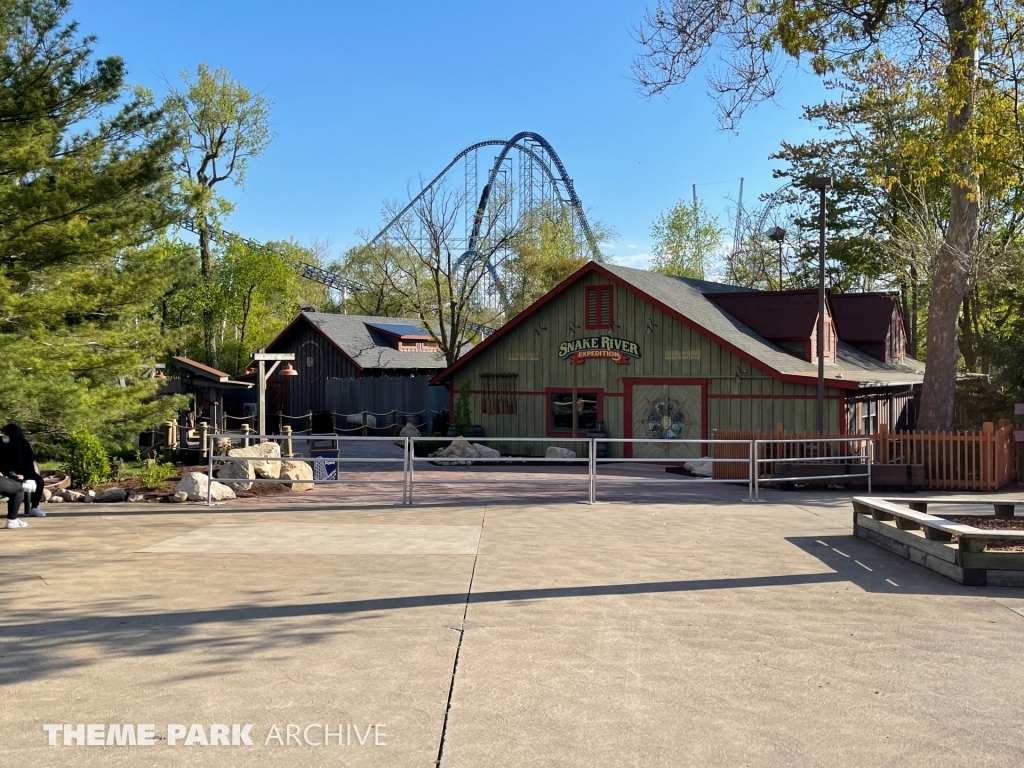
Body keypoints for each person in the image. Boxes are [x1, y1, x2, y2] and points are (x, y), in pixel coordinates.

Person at [0, 424, 46, 523]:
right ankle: (12, 516)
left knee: (39, 481)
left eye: (5, 434)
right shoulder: (1, 443)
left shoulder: (24, 445)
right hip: (5, 471)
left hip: (23, 470)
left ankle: (35, 506)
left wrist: (24, 475)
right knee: (14, 485)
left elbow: (29, 463)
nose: (3, 436)